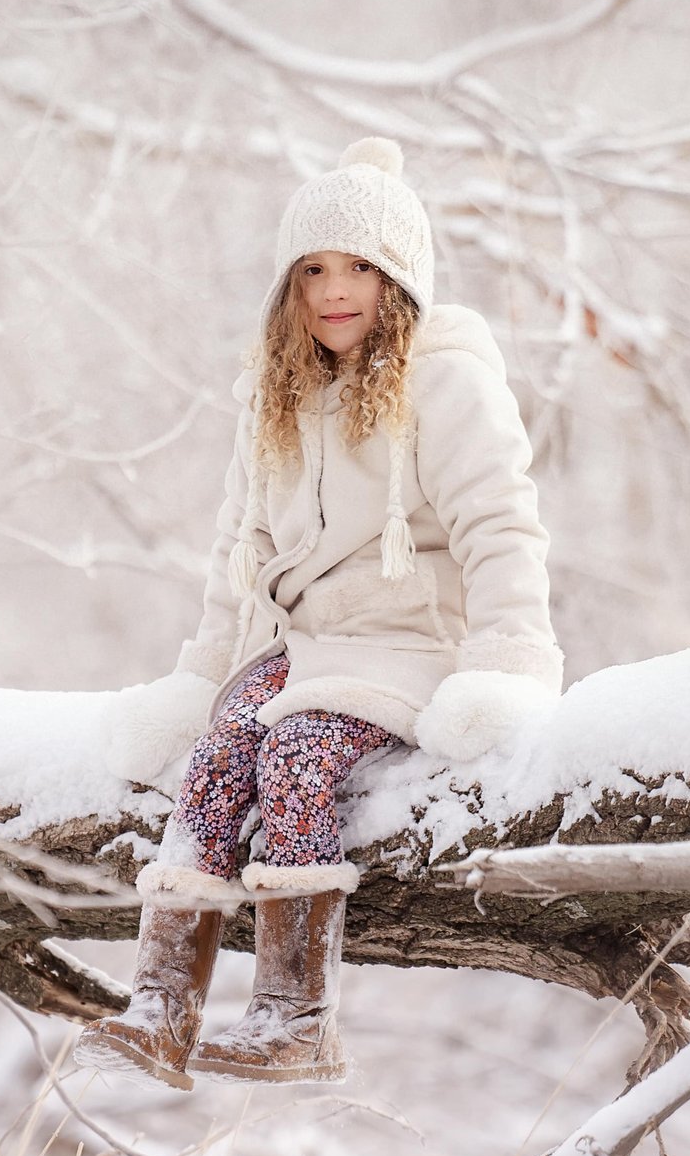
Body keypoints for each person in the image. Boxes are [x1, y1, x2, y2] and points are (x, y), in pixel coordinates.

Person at [88, 139, 563, 1088]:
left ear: (399, 278)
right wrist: (200, 675)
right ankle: (160, 1005)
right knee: (223, 748)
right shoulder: (276, 399)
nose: (336, 290)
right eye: (313, 270)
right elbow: (240, 558)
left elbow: (501, 527)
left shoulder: (445, 382)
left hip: (407, 642)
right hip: (305, 641)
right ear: (287, 289)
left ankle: (293, 1015)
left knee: (296, 750)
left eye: (359, 268)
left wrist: (507, 662)